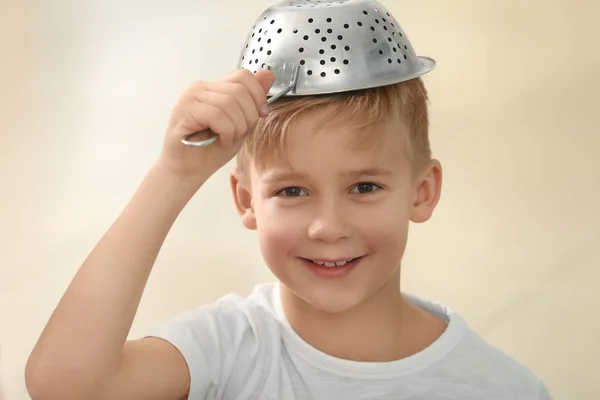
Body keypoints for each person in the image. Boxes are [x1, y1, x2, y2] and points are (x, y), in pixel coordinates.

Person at [24, 64, 553, 399]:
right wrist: (176, 173)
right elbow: (66, 385)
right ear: (245, 200)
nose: (328, 227)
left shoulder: (502, 387)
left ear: (422, 192)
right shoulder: (230, 347)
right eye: (292, 192)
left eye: (365, 187)